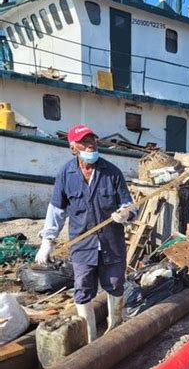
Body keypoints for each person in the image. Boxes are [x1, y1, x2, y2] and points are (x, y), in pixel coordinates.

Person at [35, 124, 136, 342]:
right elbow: (57, 210)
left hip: (112, 242)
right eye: (84, 142)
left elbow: (129, 204)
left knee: (116, 283)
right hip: (82, 245)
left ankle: (115, 327)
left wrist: (125, 214)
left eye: (93, 140)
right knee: (82, 289)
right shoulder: (66, 174)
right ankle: (90, 338)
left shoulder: (112, 172)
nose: (90, 145)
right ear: (73, 148)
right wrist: (48, 240)